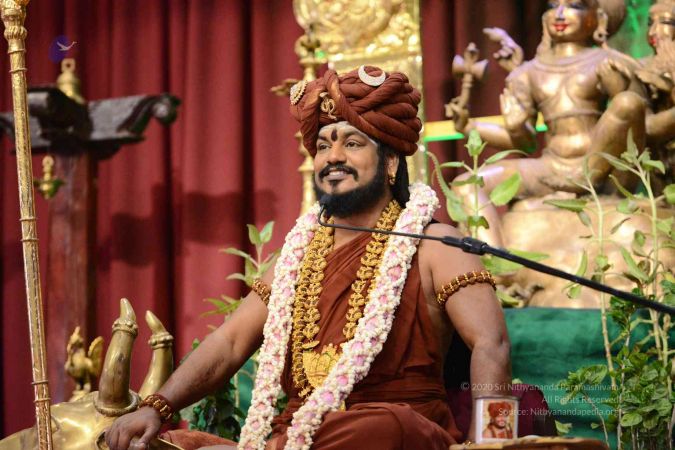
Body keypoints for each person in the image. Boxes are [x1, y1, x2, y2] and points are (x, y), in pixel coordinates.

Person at [105, 66, 511, 450]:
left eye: (352, 143)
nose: (333, 156)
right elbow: (229, 343)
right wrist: (157, 407)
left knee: (385, 424)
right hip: (299, 433)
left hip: (392, 432)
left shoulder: (436, 244)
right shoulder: (297, 257)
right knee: (171, 444)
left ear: (390, 162)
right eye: (323, 145)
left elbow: (490, 344)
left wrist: (496, 442)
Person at [448, 0, 647, 247]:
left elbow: (642, 122)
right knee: (467, 185)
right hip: (552, 167)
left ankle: (584, 179)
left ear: (598, 18)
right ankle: (493, 261)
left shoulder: (610, 61)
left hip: (604, 168)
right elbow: (525, 143)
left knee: (628, 102)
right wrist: (469, 127)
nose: (560, 14)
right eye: (553, 6)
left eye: (574, 6)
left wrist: (618, 91)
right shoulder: (528, 72)